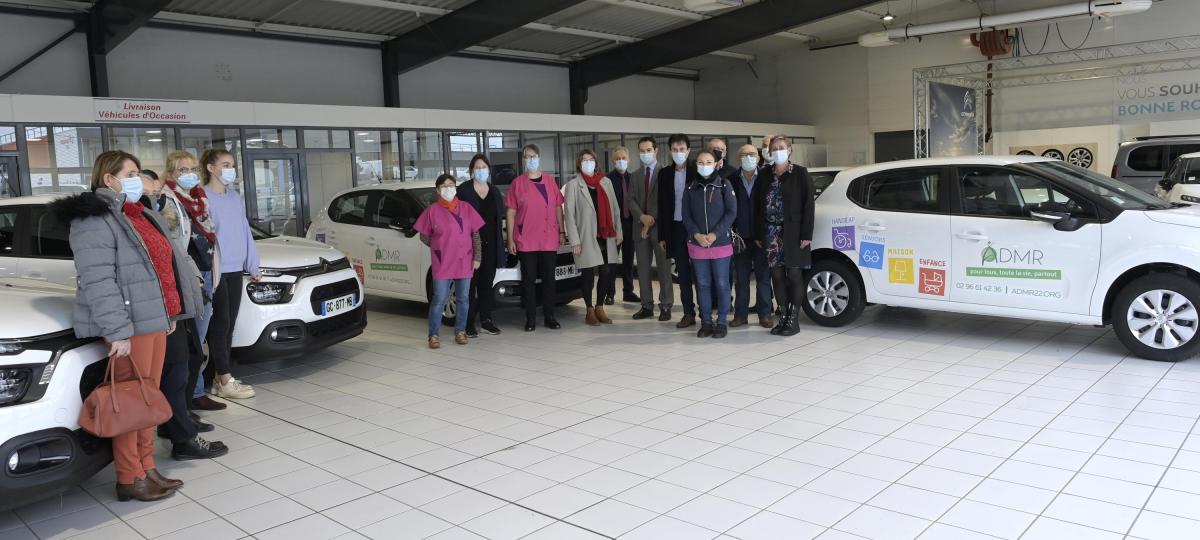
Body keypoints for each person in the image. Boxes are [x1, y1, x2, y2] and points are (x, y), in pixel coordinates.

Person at [50, 150, 202, 501]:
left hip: (155, 320)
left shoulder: (139, 213)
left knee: (148, 398)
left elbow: (162, 267)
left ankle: (147, 467)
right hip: (130, 324)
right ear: (109, 179)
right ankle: (129, 476)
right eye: (131, 172)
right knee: (130, 400)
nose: (139, 179)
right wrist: (116, 330)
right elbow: (98, 279)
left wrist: (169, 314)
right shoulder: (94, 218)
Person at [156, 154, 228, 460]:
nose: (188, 175)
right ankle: (179, 418)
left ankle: (185, 411)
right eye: (181, 170)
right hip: (186, 283)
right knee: (186, 355)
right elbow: (174, 245)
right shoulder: (167, 201)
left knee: (194, 350)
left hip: (201, 277)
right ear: (170, 173)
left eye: (191, 170)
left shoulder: (199, 200)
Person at [201, 149, 257, 399]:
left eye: (232, 165)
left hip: (236, 269)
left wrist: (253, 264)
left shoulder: (234, 197)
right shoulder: (202, 196)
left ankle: (217, 377)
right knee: (220, 325)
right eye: (225, 164)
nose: (230, 169)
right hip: (216, 270)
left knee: (229, 325)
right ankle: (224, 378)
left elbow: (244, 230)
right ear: (211, 168)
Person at [754, 136, 815, 337]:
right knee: (777, 275)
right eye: (775, 148)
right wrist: (758, 232)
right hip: (771, 233)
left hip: (794, 234)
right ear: (770, 152)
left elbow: (809, 205)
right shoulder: (764, 175)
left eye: (782, 147)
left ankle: (794, 319)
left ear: (789, 150)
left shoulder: (800, 173)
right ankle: (783, 316)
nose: (778, 150)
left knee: (794, 274)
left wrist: (807, 233)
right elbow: (757, 206)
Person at [417, 174, 483, 348]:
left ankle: (460, 331)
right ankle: (433, 335)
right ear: (438, 190)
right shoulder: (432, 211)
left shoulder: (466, 208)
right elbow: (423, 235)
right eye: (444, 186)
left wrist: (477, 257)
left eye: (451, 185)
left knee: (463, 298)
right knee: (439, 298)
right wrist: (438, 246)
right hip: (443, 261)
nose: (448, 188)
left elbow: (475, 234)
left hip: (465, 259)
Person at [506, 144, 565, 332]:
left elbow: (558, 207)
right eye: (527, 157)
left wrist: (562, 231)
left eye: (533, 156)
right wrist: (510, 239)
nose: (530, 159)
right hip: (526, 239)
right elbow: (511, 213)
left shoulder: (549, 181)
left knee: (549, 279)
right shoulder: (517, 183)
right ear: (523, 160)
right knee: (528, 280)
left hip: (548, 237)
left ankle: (550, 316)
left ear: (539, 158)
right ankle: (530, 318)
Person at [563, 150, 622, 326]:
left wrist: (619, 231)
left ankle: (600, 306)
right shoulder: (573, 185)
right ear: (579, 164)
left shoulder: (606, 182)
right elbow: (569, 215)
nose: (588, 163)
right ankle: (589, 310)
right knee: (588, 273)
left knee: (606, 271)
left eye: (591, 160)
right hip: (585, 235)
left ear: (596, 163)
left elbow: (615, 209)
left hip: (605, 235)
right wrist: (574, 240)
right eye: (584, 160)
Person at [683, 151, 737, 339]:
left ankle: (721, 321)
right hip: (697, 244)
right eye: (700, 162)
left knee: (722, 284)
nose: (704, 165)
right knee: (703, 284)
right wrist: (697, 234)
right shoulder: (690, 188)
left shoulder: (724, 184)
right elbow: (686, 215)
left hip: (720, 243)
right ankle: (706, 322)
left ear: (716, 164)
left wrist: (714, 234)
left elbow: (731, 212)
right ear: (695, 164)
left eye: (708, 162)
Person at [457, 154, 504, 338]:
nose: (481, 171)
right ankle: (468, 323)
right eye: (477, 168)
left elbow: (498, 220)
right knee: (469, 286)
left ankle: (486, 320)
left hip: (491, 244)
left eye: (484, 167)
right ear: (471, 171)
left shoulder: (494, 191)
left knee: (486, 284)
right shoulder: (463, 191)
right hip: (470, 247)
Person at [628, 137, 673, 322]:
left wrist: (650, 220)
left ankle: (666, 306)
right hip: (640, 228)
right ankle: (646, 305)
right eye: (642, 150)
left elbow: (665, 201)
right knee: (643, 269)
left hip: (660, 229)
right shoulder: (635, 175)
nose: (645, 153)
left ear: (656, 151)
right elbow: (630, 200)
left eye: (648, 150)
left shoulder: (665, 173)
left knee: (664, 269)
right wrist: (642, 217)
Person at [731, 144, 774, 329]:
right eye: (744, 154)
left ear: (758, 157)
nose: (748, 157)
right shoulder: (731, 179)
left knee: (763, 277)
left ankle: (765, 314)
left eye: (752, 154)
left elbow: (770, 207)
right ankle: (740, 315)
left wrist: (763, 233)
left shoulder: (766, 177)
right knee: (741, 279)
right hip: (740, 237)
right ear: (738, 158)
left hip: (761, 236)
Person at [657, 134, 698, 328]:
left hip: (696, 229)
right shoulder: (665, 174)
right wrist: (663, 235)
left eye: (682, 149)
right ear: (670, 151)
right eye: (675, 149)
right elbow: (662, 206)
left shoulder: (697, 171)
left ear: (688, 151)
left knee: (701, 274)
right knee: (682, 274)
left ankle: (706, 312)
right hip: (675, 228)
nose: (679, 153)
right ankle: (688, 313)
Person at [603, 147, 639, 305]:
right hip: (613, 226)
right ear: (613, 161)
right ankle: (609, 293)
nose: (621, 161)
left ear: (629, 159)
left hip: (630, 224)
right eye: (618, 158)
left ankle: (628, 291)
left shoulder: (633, 179)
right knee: (611, 261)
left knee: (629, 260)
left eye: (624, 158)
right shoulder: (607, 179)